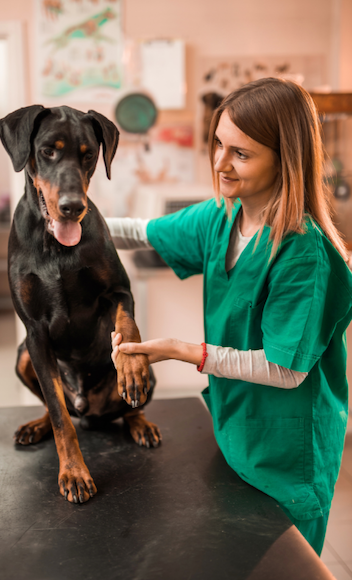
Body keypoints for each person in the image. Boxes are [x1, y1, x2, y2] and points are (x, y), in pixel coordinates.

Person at [106, 77, 352, 556]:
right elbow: (139, 232)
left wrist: (183, 352)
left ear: (286, 158)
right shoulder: (222, 217)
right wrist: (61, 220)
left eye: (241, 153)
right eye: (217, 143)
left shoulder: (304, 252)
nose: (220, 163)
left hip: (285, 449)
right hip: (234, 427)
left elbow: (286, 368)